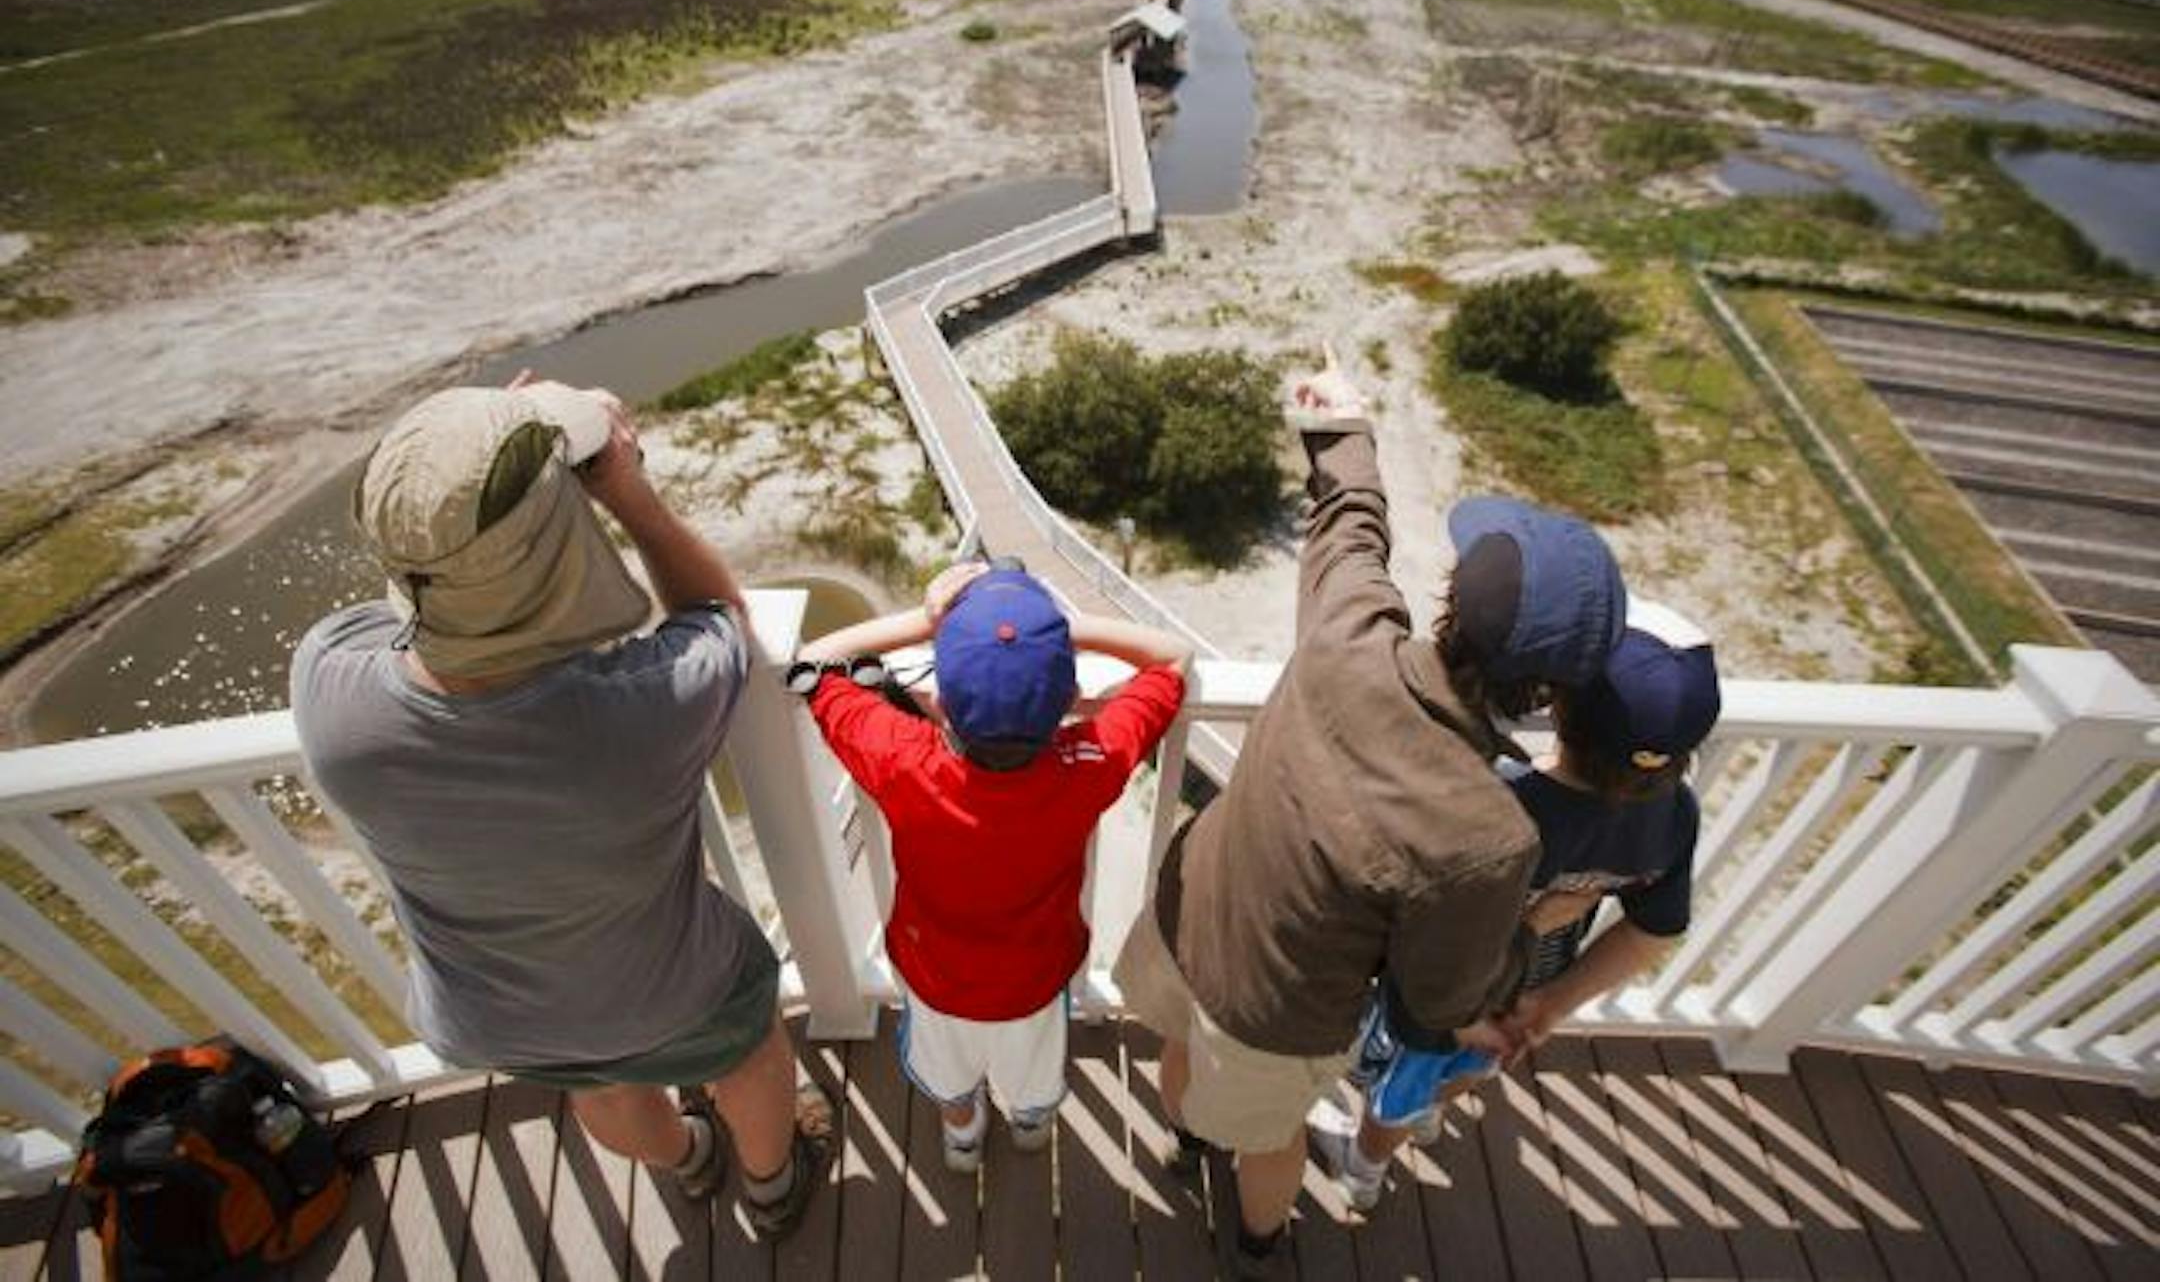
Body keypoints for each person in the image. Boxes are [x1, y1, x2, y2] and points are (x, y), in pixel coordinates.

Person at [1111, 344, 1627, 1277]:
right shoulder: (1489, 836)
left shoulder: (1351, 625)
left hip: (1195, 904)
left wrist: (1339, 420)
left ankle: (1185, 1142)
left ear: (1451, 601)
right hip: (1276, 1006)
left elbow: (1349, 517)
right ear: (1548, 696)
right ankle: (1259, 1242)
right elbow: (1437, 1005)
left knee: (1181, 1050)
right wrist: (1528, 933)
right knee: (1268, 1142)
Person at [291, 377, 829, 1240]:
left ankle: (689, 1157)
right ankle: (772, 1187)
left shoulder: (329, 692)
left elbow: (409, 626)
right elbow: (715, 616)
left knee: (603, 1085)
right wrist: (622, 486)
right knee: (752, 1051)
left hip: (495, 1014)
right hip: (673, 990)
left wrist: (467, 480)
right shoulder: (646, 707)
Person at [1317, 599, 1722, 1209]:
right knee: (1467, 1069)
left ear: (1561, 703)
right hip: (1532, 986)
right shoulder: (1673, 817)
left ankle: (1364, 1166)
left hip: (1446, 994)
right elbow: (1654, 930)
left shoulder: (1502, 801)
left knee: (1400, 1085)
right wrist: (1552, 1003)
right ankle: (1421, 1116)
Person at [790, 561, 1190, 1171]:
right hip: (1034, 977)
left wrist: (921, 621)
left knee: (948, 1075)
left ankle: (963, 1135)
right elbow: (1173, 659)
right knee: (1032, 1073)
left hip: (934, 977)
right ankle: (1030, 1126)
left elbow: (812, 662)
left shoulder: (901, 757)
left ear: (942, 701)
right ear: (1066, 697)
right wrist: (1060, 630)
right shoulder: (1089, 762)